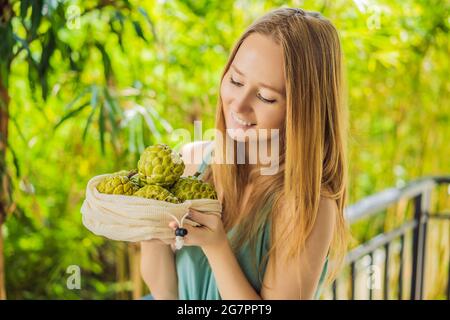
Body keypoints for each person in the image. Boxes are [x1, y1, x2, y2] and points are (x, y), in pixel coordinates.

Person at [140, 7, 349, 300]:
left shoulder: (307, 204)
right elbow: (166, 293)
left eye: (265, 96)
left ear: (302, 111)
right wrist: (147, 224)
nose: (238, 106)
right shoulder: (191, 161)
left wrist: (216, 246)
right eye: (236, 81)